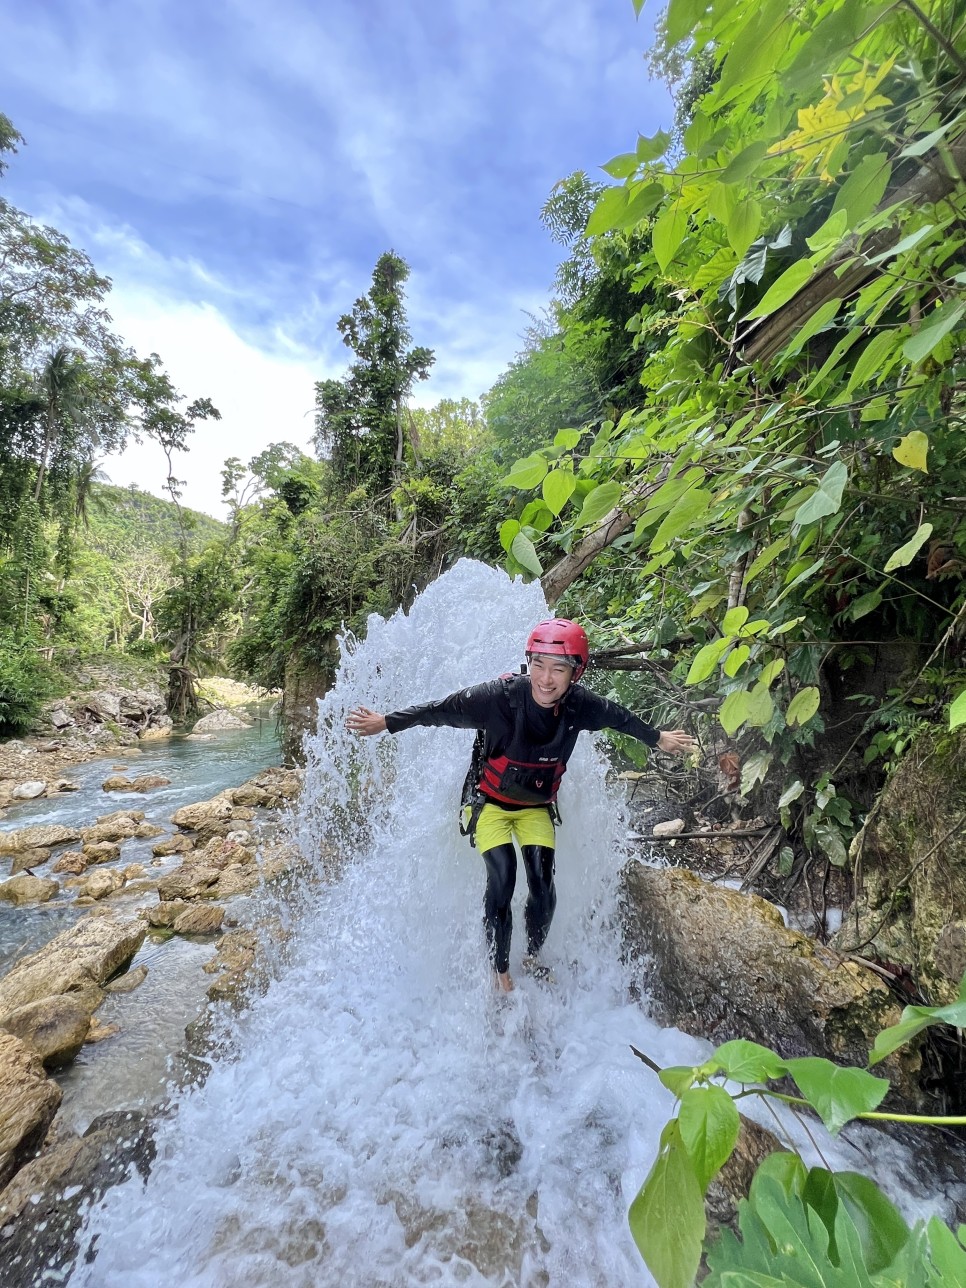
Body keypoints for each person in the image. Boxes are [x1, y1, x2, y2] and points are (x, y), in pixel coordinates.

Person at [346, 619, 697, 993]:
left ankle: (532, 954)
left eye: (558, 669)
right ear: (528, 662)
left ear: (575, 673)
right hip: (488, 804)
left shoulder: (581, 707)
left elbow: (621, 718)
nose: (546, 679)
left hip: (535, 807)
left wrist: (658, 738)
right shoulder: (498, 698)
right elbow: (440, 709)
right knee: (503, 874)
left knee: (543, 882)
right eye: (539, 666)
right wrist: (387, 722)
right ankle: (500, 972)